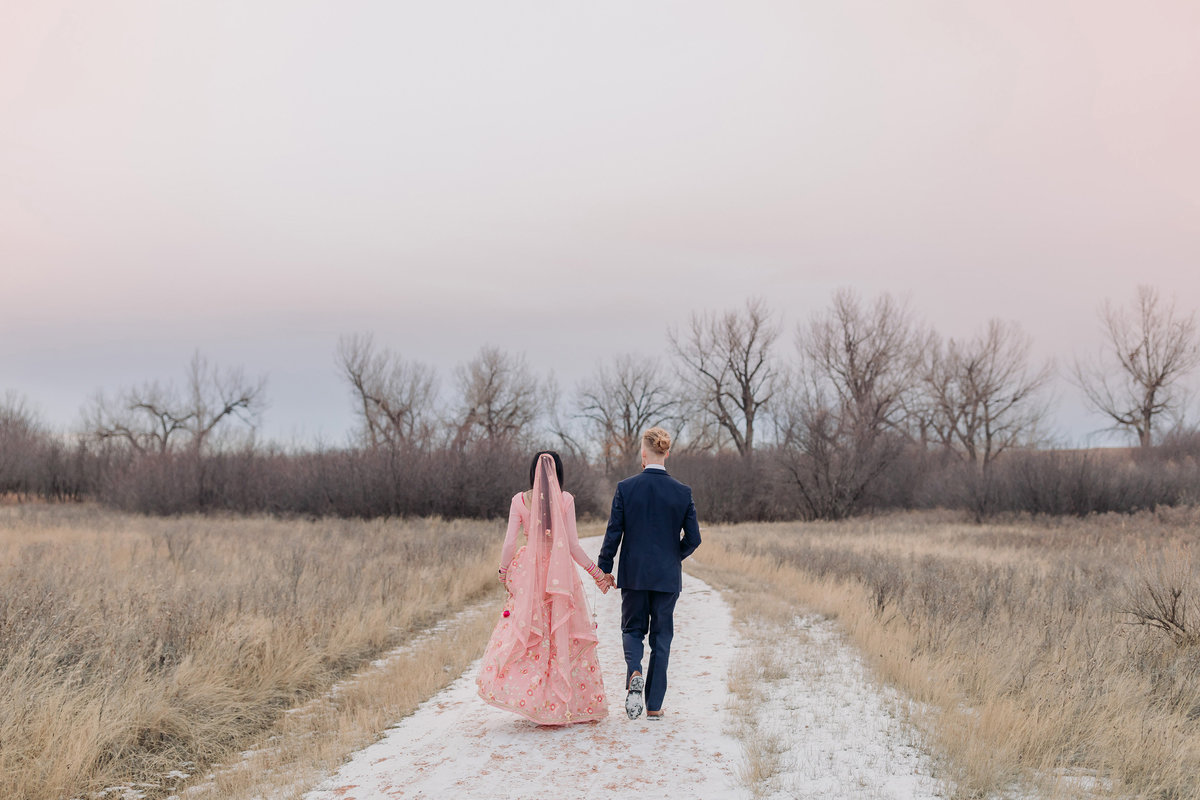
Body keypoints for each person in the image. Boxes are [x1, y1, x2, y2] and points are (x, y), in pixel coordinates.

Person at [476, 450, 612, 725]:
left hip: (530, 572)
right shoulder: (565, 499)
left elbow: (509, 544)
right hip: (559, 572)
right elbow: (573, 546)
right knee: (561, 634)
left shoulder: (519, 500)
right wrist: (598, 575)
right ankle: (562, 704)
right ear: (557, 474)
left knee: (531, 635)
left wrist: (504, 573)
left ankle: (536, 701)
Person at [597, 427, 701, 721]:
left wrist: (604, 569)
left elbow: (613, 533)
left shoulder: (626, 488)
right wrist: (672, 557)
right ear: (667, 452)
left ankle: (634, 672)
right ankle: (654, 705)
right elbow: (693, 538)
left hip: (634, 574)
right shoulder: (683, 492)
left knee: (632, 629)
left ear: (643, 454)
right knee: (662, 638)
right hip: (667, 578)